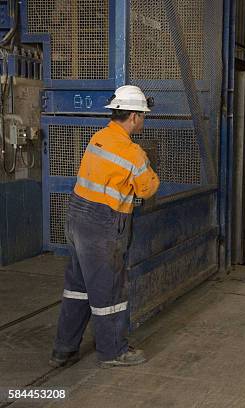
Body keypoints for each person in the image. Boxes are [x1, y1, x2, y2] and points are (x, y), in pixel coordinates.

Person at [50, 85, 160, 369]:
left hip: (76, 217)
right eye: (143, 116)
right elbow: (148, 189)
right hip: (103, 223)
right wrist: (148, 164)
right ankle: (113, 351)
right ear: (134, 117)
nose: (143, 121)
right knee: (109, 290)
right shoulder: (133, 153)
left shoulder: (98, 138)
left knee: (78, 287)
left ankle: (64, 349)